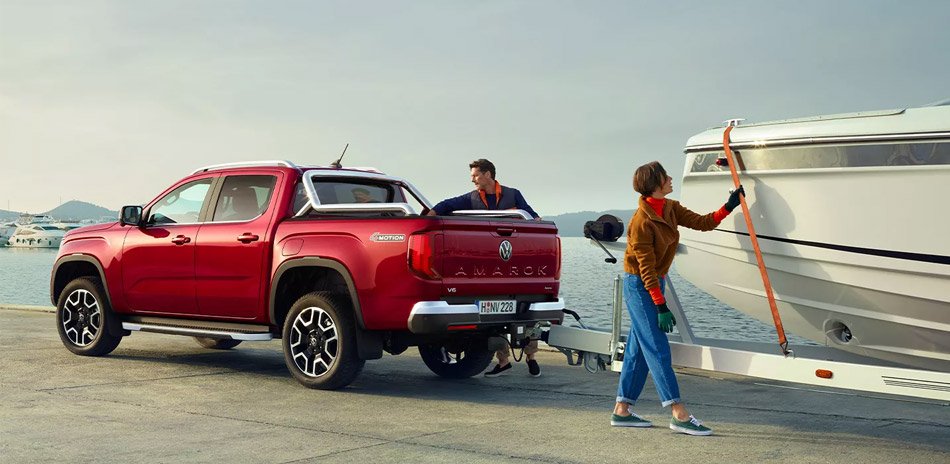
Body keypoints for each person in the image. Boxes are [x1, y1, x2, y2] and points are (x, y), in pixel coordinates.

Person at [611, 161, 743, 436]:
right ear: (655, 184)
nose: (671, 178)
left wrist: (729, 206)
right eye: (665, 176)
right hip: (640, 286)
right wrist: (661, 305)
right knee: (658, 349)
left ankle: (622, 411)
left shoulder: (670, 208)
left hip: (653, 283)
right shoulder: (641, 222)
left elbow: (702, 223)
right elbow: (645, 269)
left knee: (638, 351)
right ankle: (678, 412)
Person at [427, 158, 543, 377]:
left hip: (512, 258)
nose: (473, 180)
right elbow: (446, 205)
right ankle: (504, 360)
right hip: (489, 263)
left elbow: (529, 213)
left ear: (488, 174)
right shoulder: (471, 199)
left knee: (526, 310)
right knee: (493, 313)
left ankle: (531, 356)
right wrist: (429, 216)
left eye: (475, 176)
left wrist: (538, 222)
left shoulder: (512, 194)